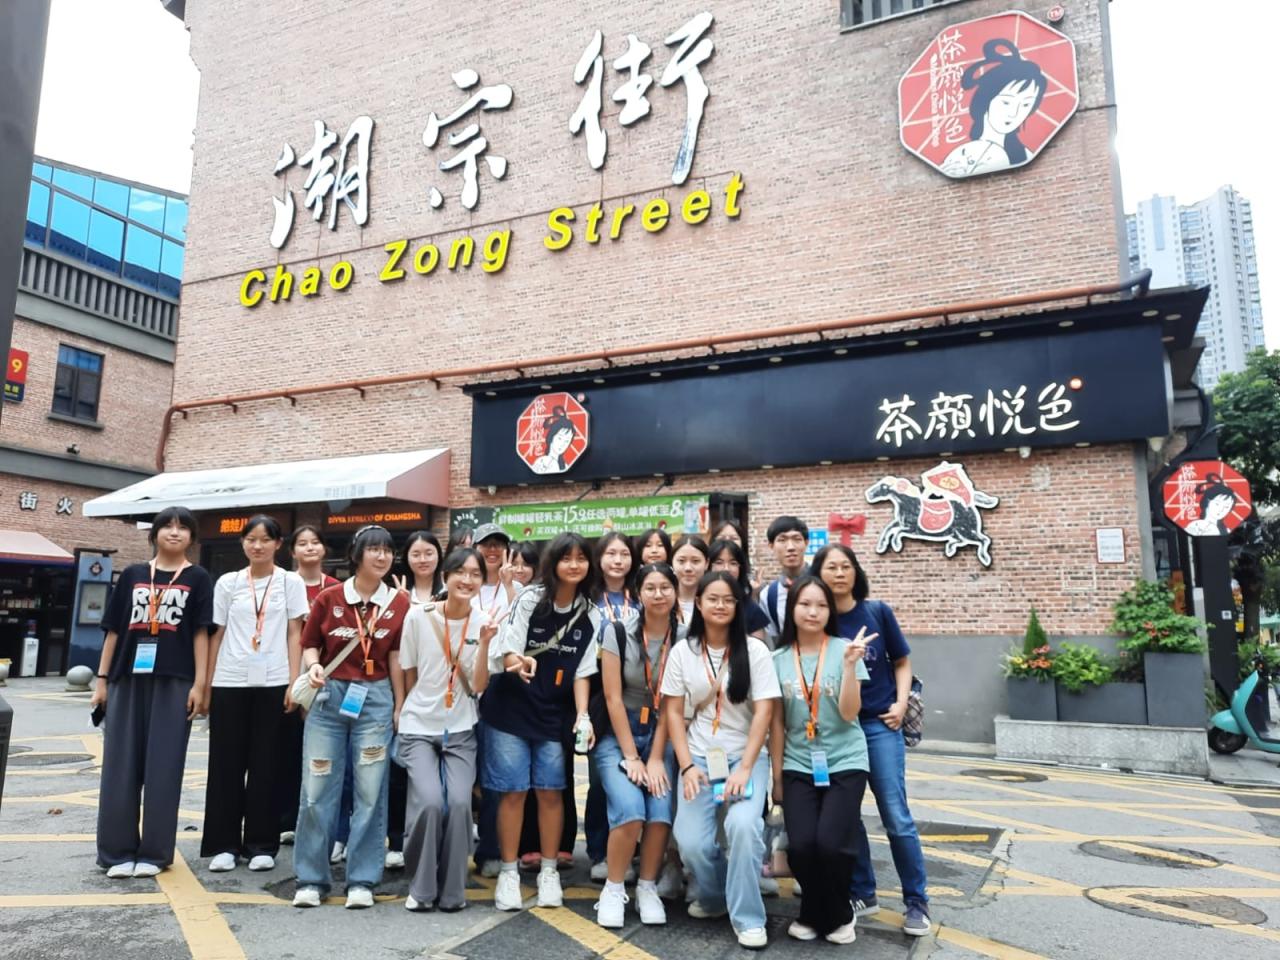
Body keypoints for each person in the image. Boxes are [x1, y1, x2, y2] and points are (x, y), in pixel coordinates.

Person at [481, 532, 609, 912]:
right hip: (510, 709)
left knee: (551, 791)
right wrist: (517, 662)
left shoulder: (591, 613)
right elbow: (508, 647)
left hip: (553, 713)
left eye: (581, 558)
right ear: (553, 563)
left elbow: (583, 672)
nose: (574, 565)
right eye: (566, 558)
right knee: (513, 792)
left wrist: (583, 715)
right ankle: (508, 873)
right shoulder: (531, 599)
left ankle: (549, 872)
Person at [812, 544, 930, 936]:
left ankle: (917, 901)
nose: (839, 573)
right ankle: (863, 891)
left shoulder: (876, 611)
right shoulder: (818, 620)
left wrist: (900, 703)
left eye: (846, 566)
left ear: (856, 572)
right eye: (831, 567)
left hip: (880, 726)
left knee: (895, 815)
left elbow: (902, 661)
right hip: (839, 730)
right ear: (818, 574)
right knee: (847, 817)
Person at [293, 525, 411, 909]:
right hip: (329, 697)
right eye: (374, 549)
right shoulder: (329, 597)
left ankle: (362, 879)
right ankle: (311, 879)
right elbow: (310, 643)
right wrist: (313, 666)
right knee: (316, 790)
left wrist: (399, 704)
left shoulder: (399, 603)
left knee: (370, 791)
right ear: (356, 555)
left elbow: (396, 656)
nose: (382, 556)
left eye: (388, 550)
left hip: (376, 700)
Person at [93, 506, 214, 879]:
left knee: (164, 767)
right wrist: (101, 680)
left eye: (183, 528)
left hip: (175, 680)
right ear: (154, 533)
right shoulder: (132, 575)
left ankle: (155, 853)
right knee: (120, 766)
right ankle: (116, 852)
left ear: (192, 537)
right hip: (126, 678)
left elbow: (201, 633)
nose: (175, 533)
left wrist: (200, 684)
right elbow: (114, 630)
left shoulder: (198, 578)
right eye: (167, 526)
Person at [661, 572, 779, 950]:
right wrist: (686, 766)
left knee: (743, 826)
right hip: (698, 756)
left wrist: (745, 768)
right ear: (698, 603)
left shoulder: (755, 651)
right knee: (690, 841)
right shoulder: (683, 651)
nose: (721, 605)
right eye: (713, 598)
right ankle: (715, 898)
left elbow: (764, 713)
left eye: (729, 599)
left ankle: (749, 918)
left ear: (738, 605)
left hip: (746, 757)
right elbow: (673, 712)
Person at [202, 515, 309, 874]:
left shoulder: (290, 582)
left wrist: (294, 682)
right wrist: (206, 684)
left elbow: (295, 633)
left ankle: (262, 844)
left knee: (268, 765)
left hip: (275, 681)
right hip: (229, 681)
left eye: (265, 539)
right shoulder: (228, 583)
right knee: (226, 765)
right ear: (243, 543)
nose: (258, 545)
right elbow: (216, 635)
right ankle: (224, 845)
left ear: (278, 544)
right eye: (251, 539)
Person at [770, 575, 871, 944]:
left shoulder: (845, 649)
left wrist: (849, 667)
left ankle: (836, 913)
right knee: (801, 845)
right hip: (798, 763)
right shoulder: (778, 659)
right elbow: (777, 723)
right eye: (805, 604)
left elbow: (849, 713)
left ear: (830, 611)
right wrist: (777, 777)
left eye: (821, 605)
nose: (813, 612)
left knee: (831, 843)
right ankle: (817, 912)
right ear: (792, 609)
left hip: (845, 760)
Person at [398, 547, 497, 912]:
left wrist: (485, 643)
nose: (467, 580)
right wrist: (403, 709)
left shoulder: (484, 621)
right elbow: (407, 669)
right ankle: (422, 887)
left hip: (461, 728)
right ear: (446, 576)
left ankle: (453, 892)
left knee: (458, 804)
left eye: (476, 574)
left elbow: (480, 684)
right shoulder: (418, 616)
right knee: (429, 802)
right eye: (461, 572)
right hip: (418, 726)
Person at [593, 562, 680, 928]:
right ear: (639, 593)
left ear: (675, 591)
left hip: (664, 731)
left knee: (659, 812)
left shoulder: (686, 636)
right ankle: (613, 889)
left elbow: (674, 703)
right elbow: (612, 697)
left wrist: (656, 757)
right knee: (630, 810)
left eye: (665, 588)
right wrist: (632, 756)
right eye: (650, 588)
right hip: (619, 733)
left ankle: (647, 887)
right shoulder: (617, 631)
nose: (658, 595)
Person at [476, 540, 541, 877]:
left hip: (523, 692)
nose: (518, 569)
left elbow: (523, 629)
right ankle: (485, 849)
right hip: (484, 689)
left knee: (514, 782)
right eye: (514, 562)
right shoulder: (475, 590)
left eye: (525, 563)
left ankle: (509, 851)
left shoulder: (537, 597)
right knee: (490, 780)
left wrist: (511, 587)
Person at [383, 530, 445, 871]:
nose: (423, 559)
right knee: (400, 769)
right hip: (407, 692)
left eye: (429, 552)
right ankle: (396, 839)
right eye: (416, 553)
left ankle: (436, 839)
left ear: (439, 555)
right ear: (406, 558)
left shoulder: (450, 590)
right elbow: (395, 652)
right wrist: (400, 702)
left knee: (440, 774)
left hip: (444, 696)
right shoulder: (394, 595)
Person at [277, 526, 337, 845]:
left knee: (322, 753)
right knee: (288, 750)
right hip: (289, 670)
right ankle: (287, 819)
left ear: (324, 549)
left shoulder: (337, 588)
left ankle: (323, 821)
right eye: (302, 543)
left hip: (326, 673)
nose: (310, 548)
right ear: (292, 551)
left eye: (315, 542)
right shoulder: (283, 584)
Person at [586, 531, 637, 881]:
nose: (618, 560)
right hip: (596, 691)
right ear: (599, 558)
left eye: (624, 554)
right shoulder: (588, 597)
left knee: (634, 778)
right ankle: (599, 850)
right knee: (600, 778)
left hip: (635, 692)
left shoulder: (642, 595)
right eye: (611, 554)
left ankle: (631, 852)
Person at [941, 38, 1046, 178]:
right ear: (985, 99)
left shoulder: (1026, 156)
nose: (1014, 113)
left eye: (1026, 105)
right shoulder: (958, 155)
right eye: (1006, 102)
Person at [761, 516, 810, 645]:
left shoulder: (824, 585)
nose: (790, 547)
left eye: (797, 539)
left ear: (806, 543)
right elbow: (774, 641)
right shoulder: (769, 596)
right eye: (782, 540)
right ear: (771, 546)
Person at [708, 539, 769, 638]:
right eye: (719, 562)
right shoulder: (699, 602)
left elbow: (759, 645)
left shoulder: (751, 609)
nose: (726, 568)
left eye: (733, 563)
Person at [473, 523, 518, 624]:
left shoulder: (516, 587)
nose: (492, 549)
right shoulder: (465, 585)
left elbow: (519, 618)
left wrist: (509, 586)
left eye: (498, 544)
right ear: (474, 549)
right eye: (485, 544)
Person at [671, 535, 709, 624]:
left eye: (695, 561)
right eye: (681, 561)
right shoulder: (664, 601)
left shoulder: (713, 602)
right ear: (672, 562)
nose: (688, 568)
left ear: (707, 563)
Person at [530, 407, 579, 475]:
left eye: (567, 441)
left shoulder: (566, 467)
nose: (563, 444)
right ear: (551, 437)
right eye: (560, 438)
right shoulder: (540, 462)